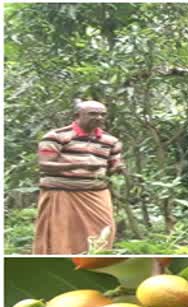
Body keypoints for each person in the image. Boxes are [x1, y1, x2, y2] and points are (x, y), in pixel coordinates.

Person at [34, 100, 125, 254]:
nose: (99, 118)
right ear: (77, 115)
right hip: (61, 193)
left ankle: (95, 262)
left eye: (102, 115)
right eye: (93, 114)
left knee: (103, 232)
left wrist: (118, 168)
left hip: (95, 194)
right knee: (61, 236)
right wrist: (77, 166)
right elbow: (44, 165)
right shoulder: (56, 136)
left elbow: (114, 162)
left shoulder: (111, 141)